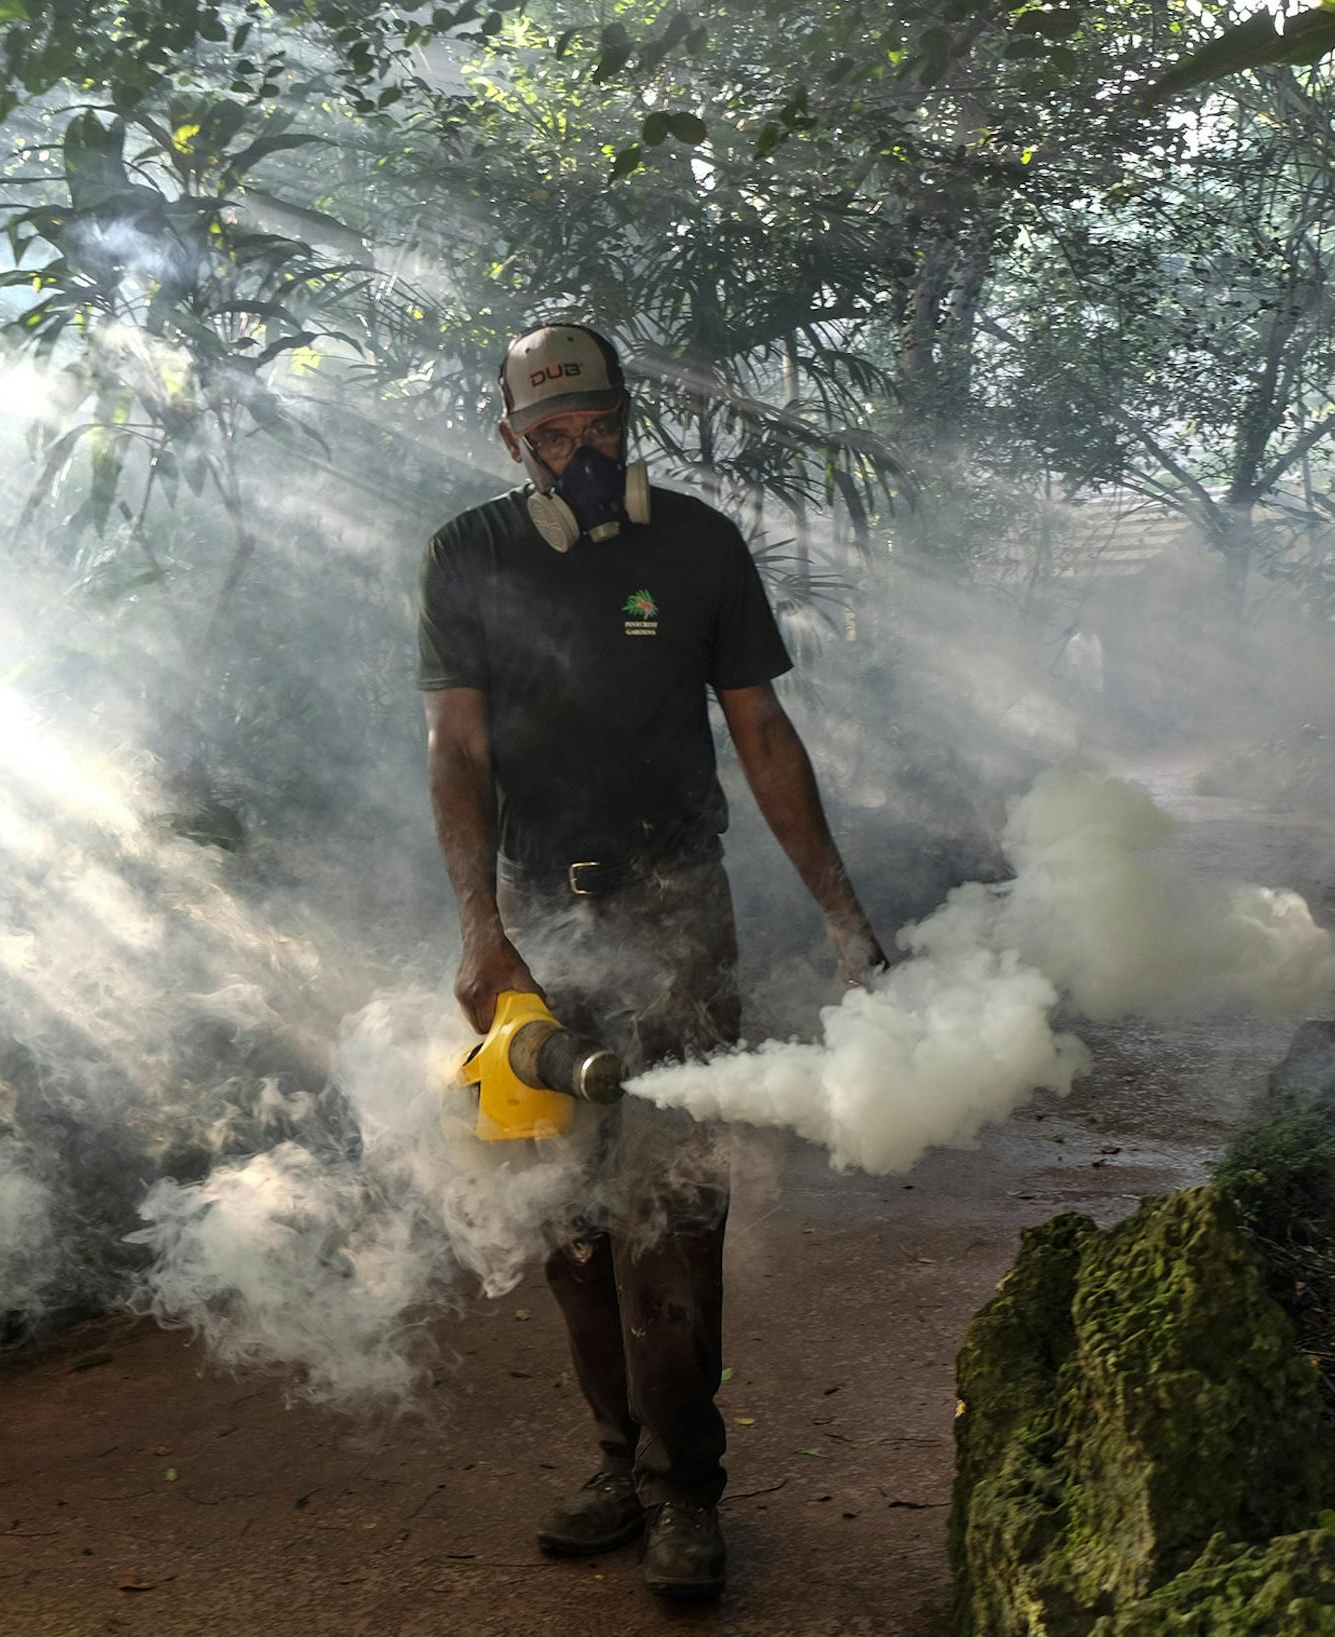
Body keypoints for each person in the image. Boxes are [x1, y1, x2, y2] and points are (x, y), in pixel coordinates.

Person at [416, 322, 887, 1601]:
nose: (579, 452)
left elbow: (763, 733)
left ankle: (690, 1491)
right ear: (514, 439)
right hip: (536, 926)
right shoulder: (470, 554)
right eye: (552, 434)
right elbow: (458, 751)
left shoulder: (697, 547)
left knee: (669, 1209)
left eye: (599, 427)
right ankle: (619, 1461)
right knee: (564, 1218)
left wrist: (842, 910)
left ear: (632, 423)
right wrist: (479, 926)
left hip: (678, 913)